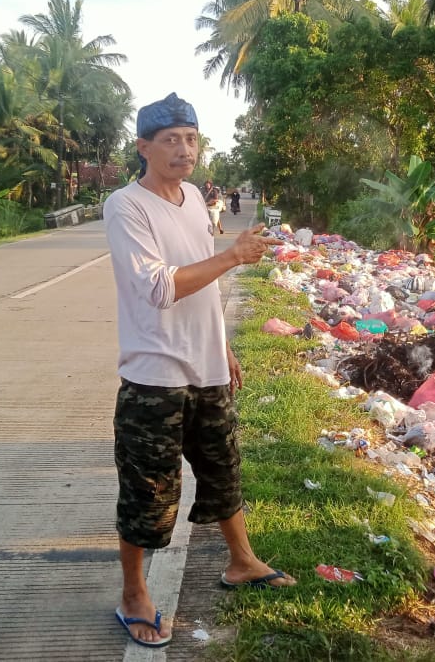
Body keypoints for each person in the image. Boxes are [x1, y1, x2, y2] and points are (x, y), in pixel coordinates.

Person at [103, 92, 295, 649]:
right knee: (149, 492)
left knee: (222, 470)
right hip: (154, 376)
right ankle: (134, 594)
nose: (184, 149)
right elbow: (160, 286)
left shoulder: (192, 198)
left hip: (207, 366)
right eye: (171, 140)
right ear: (144, 148)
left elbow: (201, 279)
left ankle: (242, 562)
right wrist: (233, 256)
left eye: (191, 138)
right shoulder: (126, 206)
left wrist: (222, 345)